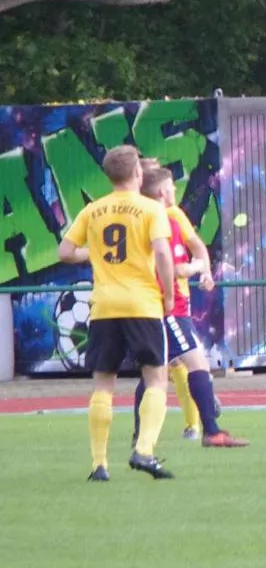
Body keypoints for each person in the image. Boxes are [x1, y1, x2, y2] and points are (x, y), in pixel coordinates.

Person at [58, 144, 177, 481]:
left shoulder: (93, 210)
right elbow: (162, 253)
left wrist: (92, 253)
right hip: (142, 304)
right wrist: (169, 294)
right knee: (156, 378)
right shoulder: (151, 209)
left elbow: (65, 251)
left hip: (104, 307)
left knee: (103, 384)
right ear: (138, 173)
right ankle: (144, 451)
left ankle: (99, 464)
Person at [139, 165, 246, 447]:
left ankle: (143, 436)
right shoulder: (165, 220)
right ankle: (210, 429)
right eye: (171, 186)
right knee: (193, 364)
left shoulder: (141, 217)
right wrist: (196, 268)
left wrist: (203, 270)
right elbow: (177, 268)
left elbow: (195, 248)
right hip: (169, 307)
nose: (175, 189)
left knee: (155, 370)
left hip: (148, 305)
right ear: (161, 192)